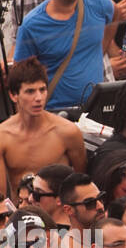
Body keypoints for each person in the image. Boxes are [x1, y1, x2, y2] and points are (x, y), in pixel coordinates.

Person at [13, 0, 116, 113]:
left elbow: (115, 15)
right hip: (55, 114)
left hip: (96, 111)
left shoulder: (99, 4)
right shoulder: (32, 25)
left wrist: (101, 49)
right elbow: (21, 81)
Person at [0, 59, 87, 196]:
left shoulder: (67, 132)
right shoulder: (3, 136)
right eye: (30, 91)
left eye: (42, 90)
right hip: (21, 211)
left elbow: (83, 184)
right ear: (13, 95)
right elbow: (1, 196)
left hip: (60, 211)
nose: (38, 98)